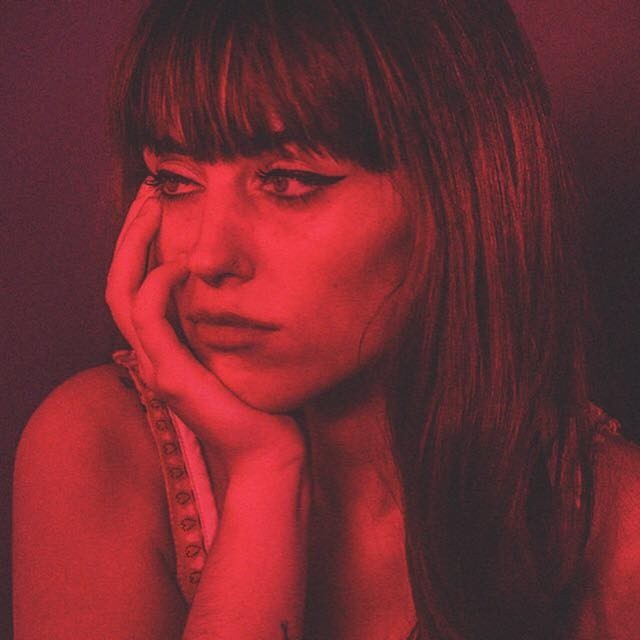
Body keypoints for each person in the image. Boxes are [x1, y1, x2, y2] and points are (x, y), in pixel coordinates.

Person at [12, 1, 640, 638]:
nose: (207, 256)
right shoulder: (99, 449)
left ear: (460, 193)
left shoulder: (611, 524)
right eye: (176, 181)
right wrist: (264, 476)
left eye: (288, 181)